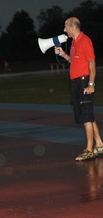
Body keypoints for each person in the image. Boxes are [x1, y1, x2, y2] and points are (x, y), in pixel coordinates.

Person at [55, 17, 103, 161]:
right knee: (86, 115)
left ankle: (89, 149)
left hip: (84, 82)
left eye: (66, 27)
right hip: (76, 83)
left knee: (86, 117)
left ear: (73, 27)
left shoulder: (85, 41)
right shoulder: (74, 42)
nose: (64, 30)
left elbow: (92, 64)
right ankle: (99, 143)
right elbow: (75, 60)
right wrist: (63, 55)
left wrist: (91, 84)